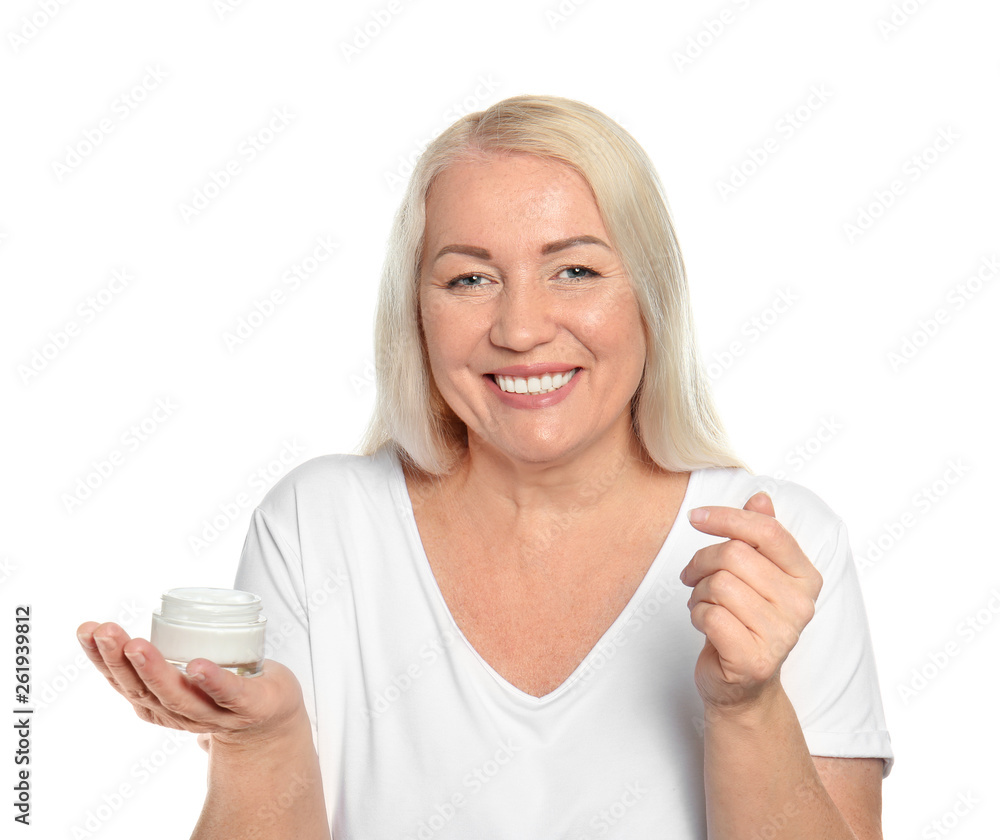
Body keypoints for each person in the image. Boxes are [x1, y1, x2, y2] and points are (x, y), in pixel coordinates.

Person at [76, 94, 893, 839]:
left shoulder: (776, 549)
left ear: (650, 294)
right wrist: (260, 744)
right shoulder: (318, 527)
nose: (522, 327)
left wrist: (747, 708)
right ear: (418, 315)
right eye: (470, 278)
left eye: (575, 269)